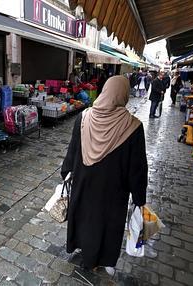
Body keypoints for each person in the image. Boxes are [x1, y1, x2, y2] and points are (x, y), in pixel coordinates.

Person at [61, 76, 147, 275]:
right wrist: (139, 196)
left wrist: (66, 173)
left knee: (85, 217)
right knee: (106, 224)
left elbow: (72, 151)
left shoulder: (83, 117)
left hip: (83, 182)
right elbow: (137, 168)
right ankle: (102, 259)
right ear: (123, 94)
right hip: (112, 190)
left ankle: (84, 250)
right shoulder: (133, 126)